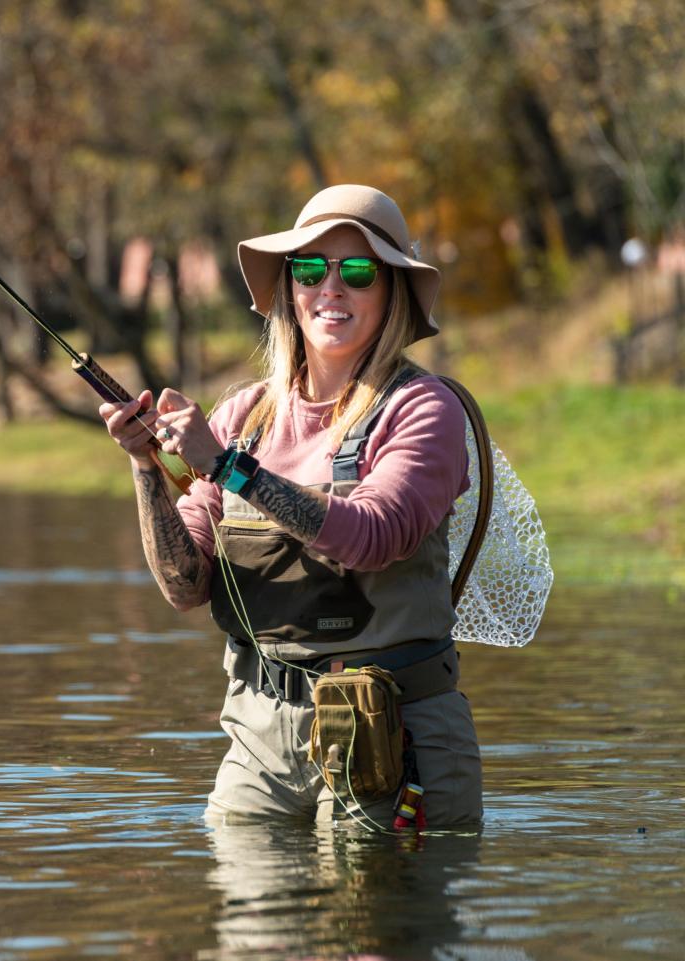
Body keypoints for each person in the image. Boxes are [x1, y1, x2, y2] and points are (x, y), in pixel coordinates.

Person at [99, 184, 482, 828]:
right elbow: (185, 584)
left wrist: (226, 467)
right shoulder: (243, 416)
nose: (331, 287)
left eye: (357, 272)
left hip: (396, 743)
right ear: (290, 289)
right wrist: (145, 465)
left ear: (391, 293)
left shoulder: (424, 410)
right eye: (311, 269)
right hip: (258, 741)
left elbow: (373, 536)